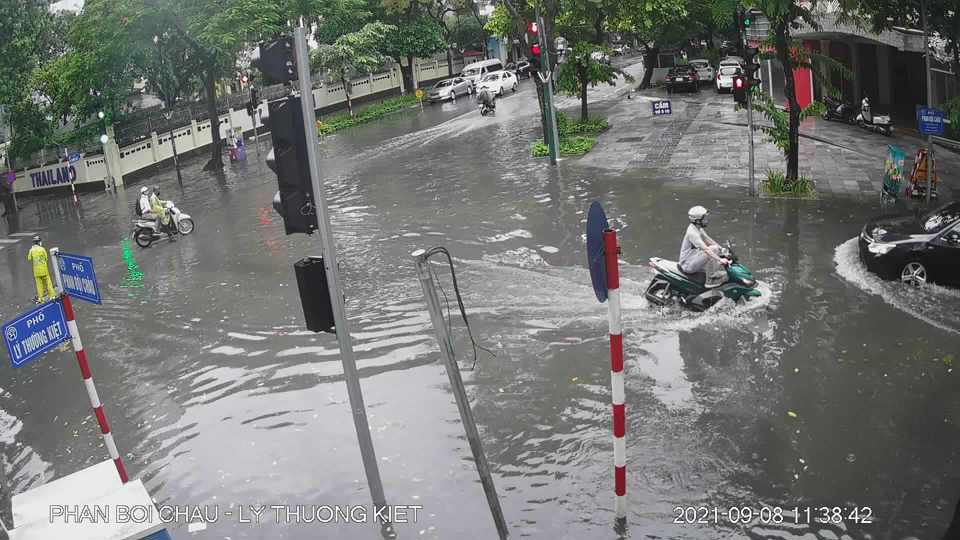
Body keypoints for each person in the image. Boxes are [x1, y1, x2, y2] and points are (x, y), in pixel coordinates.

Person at [678, 206, 730, 286]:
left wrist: (722, 249)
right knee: (713, 250)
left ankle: (713, 274)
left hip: (693, 258)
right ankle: (710, 280)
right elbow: (706, 249)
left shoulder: (698, 228)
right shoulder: (692, 233)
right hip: (687, 265)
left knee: (715, 249)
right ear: (698, 221)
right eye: (704, 219)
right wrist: (720, 259)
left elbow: (708, 240)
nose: (707, 220)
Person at [27, 235, 56, 304]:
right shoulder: (42, 249)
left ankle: (41, 298)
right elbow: (46, 258)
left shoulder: (31, 250)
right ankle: (52, 296)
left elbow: (29, 258)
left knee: (39, 285)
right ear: (39, 242)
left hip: (36, 272)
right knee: (48, 283)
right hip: (44, 270)